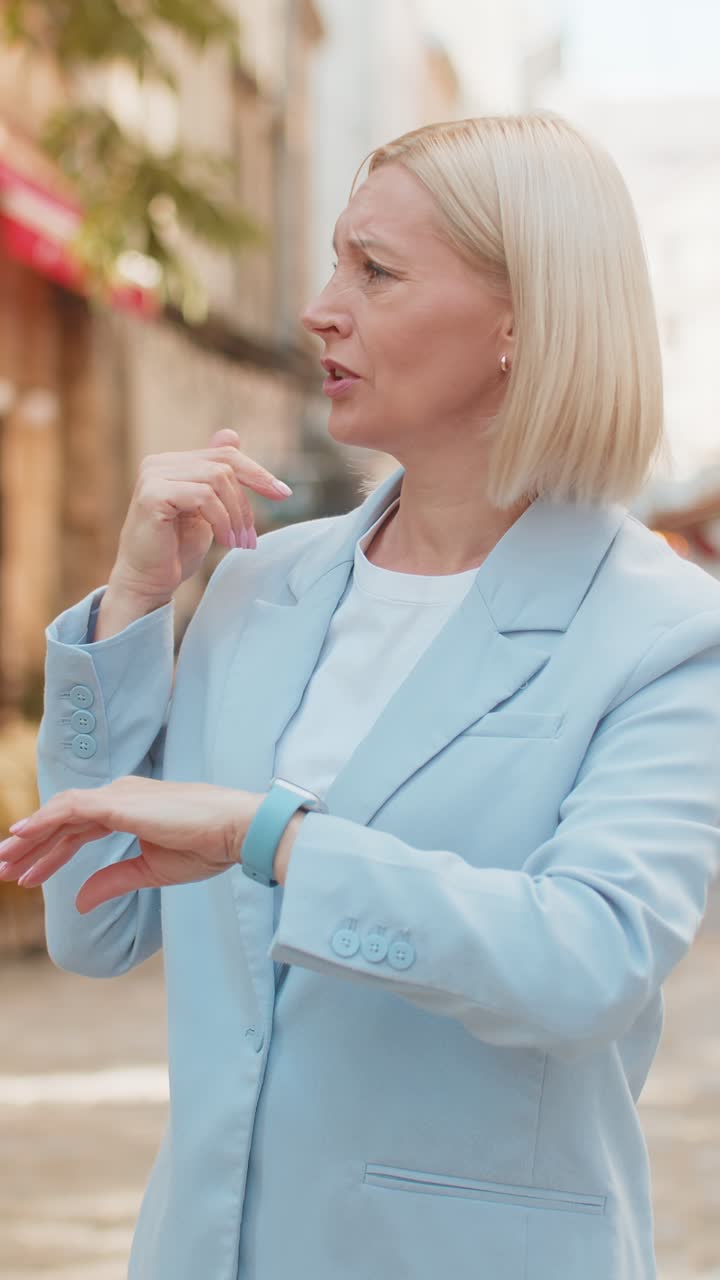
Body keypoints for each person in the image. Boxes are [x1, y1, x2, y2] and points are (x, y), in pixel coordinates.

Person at [1, 112, 719, 1280]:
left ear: (521, 320)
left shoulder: (663, 628)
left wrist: (268, 835)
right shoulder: (259, 583)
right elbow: (93, 919)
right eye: (335, 261)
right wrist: (133, 604)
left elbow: (589, 963)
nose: (319, 308)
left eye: (374, 271)